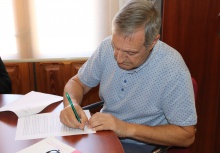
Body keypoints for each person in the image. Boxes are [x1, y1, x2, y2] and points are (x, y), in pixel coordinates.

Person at [60, 0, 197, 152]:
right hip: (101, 134)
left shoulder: (173, 69)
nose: (118, 58)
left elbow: (187, 135)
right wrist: (71, 105)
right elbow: (77, 83)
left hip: (142, 144)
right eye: (116, 47)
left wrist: (125, 128)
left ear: (153, 42)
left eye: (131, 53)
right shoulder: (106, 47)